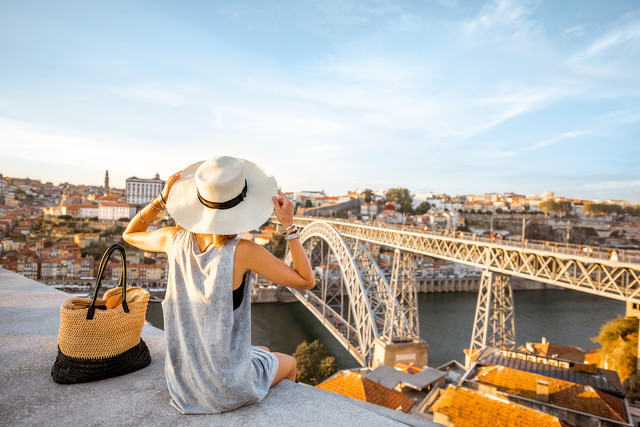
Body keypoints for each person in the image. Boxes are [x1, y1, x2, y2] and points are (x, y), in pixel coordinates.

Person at [122, 156, 314, 414]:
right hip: (225, 389)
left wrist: (161, 201)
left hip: (182, 382)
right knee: (289, 362)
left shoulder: (172, 239)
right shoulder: (243, 252)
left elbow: (130, 234)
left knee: (264, 350)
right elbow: (306, 280)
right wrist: (289, 226)